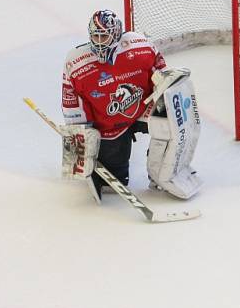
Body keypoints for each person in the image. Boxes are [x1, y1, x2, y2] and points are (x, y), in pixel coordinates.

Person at [61, 10, 202, 202]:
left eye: (105, 36)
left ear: (117, 34)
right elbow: (71, 103)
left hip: (144, 108)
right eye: (96, 36)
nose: (100, 42)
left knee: (170, 123)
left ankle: (163, 174)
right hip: (108, 123)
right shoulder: (76, 63)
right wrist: (80, 137)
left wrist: (164, 81)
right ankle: (107, 167)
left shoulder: (140, 46)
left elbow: (161, 73)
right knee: (115, 182)